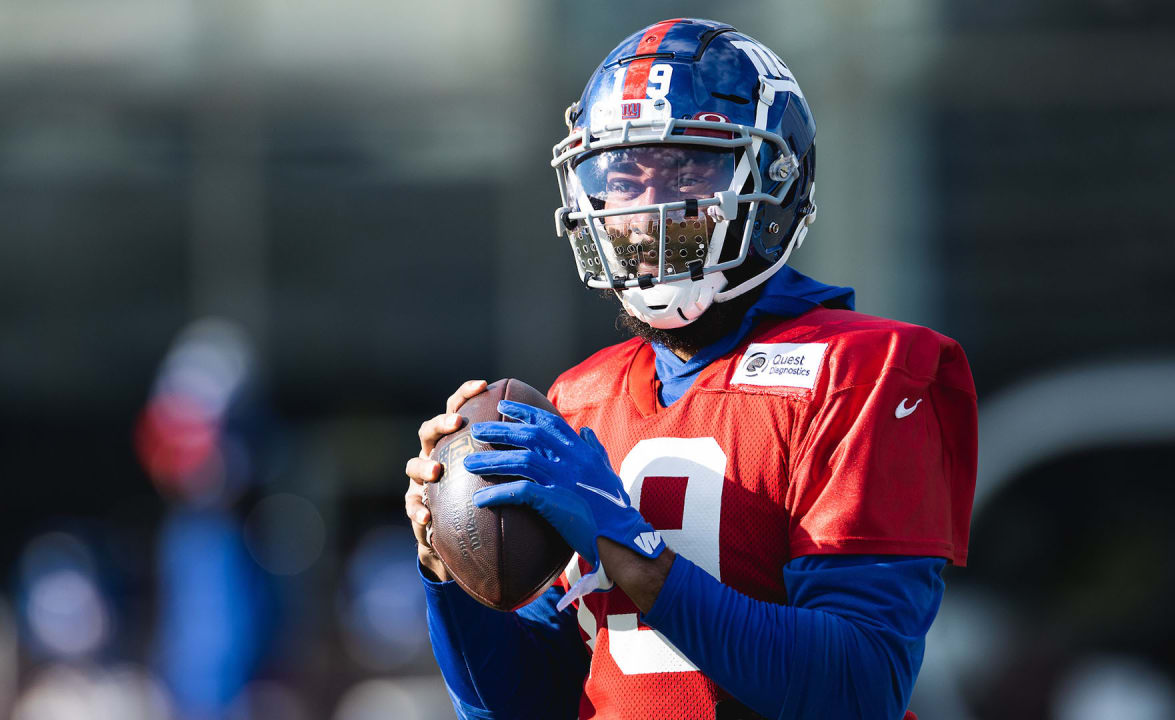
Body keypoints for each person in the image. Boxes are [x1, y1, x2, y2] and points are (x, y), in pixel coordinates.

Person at [403, 18, 977, 720]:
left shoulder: (866, 372)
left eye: (686, 168)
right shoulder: (583, 398)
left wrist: (633, 549)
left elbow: (858, 689)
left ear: (772, 180)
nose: (647, 209)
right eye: (623, 174)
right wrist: (450, 575)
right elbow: (529, 705)